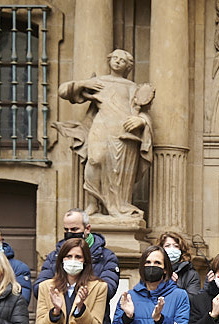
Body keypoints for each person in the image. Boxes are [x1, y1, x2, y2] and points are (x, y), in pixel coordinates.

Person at [57, 49, 154, 220]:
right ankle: (93, 203)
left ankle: (119, 206)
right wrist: (82, 84)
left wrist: (142, 121)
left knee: (120, 170)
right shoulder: (98, 81)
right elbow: (63, 91)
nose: (117, 62)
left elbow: (141, 112)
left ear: (128, 66)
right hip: (101, 126)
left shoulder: (132, 87)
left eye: (122, 60)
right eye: (115, 58)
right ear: (109, 60)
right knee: (95, 160)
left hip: (125, 132)